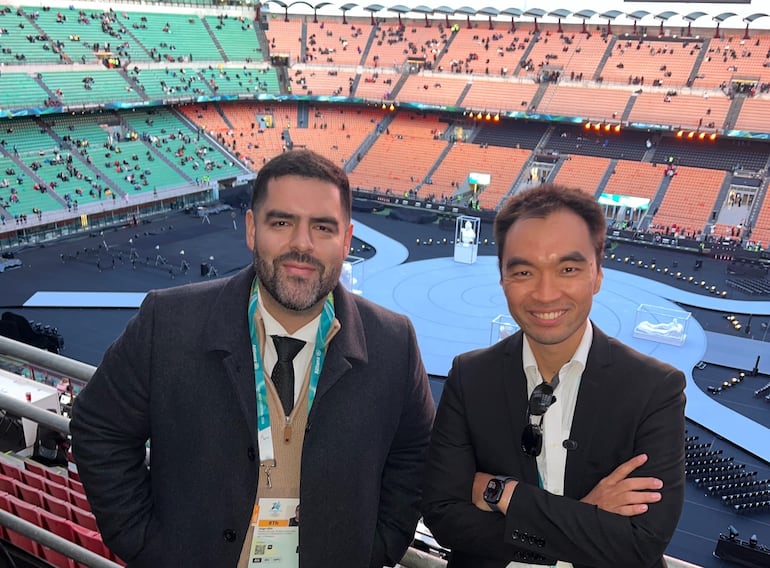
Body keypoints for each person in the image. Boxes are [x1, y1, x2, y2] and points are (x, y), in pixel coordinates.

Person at [70, 149, 435, 567]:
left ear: (348, 240)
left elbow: (416, 457)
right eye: (282, 222)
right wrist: (145, 544)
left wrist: (375, 548)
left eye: (323, 227)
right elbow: (99, 427)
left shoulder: (394, 343)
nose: (302, 244)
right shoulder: (168, 322)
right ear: (251, 229)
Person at [421, 184, 686, 568]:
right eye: (524, 271)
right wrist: (583, 516)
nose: (545, 294)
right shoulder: (470, 376)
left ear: (597, 274)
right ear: (502, 280)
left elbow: (639, 543)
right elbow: (444, 517)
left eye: (567, 269)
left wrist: (504, 494)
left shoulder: (655, 388)